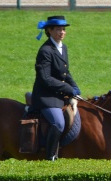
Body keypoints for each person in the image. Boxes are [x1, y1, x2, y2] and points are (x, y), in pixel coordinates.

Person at [31, 16, 81, 161]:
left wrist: (75, 86)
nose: (62, 32)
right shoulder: (45, 51)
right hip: (46, 97)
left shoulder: (62, 47)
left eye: (63, 29)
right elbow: (45, 78)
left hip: (58, 93)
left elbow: (65, 72)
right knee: (58, 123)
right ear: (49, 31)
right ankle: (50, 156)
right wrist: (67, 88)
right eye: (58, 29)